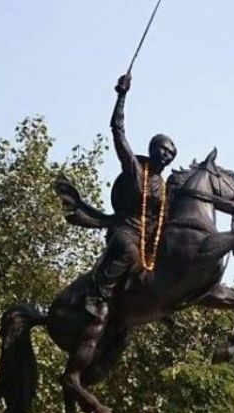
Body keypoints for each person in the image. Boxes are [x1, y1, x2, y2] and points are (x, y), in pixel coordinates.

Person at [84, 72, 178, 321]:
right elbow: (118, 131)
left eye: (171, 153)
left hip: (148, 238)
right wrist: (122, 96)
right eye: (163, 149)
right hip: (124, 230)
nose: (166, 155)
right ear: (152, 148)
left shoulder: (164, 186)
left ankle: (161, 303)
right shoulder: (135, 168)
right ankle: (96, 294)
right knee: (129, 254)